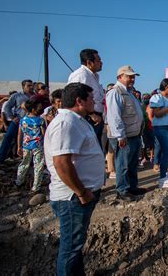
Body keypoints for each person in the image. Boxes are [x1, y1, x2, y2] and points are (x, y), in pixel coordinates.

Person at [45, 83, 104, 275]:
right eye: (91, 98)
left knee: (75, 246)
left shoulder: (77, 120)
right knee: (70, 249)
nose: (95, 101)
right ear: (79, 101)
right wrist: (81, 192)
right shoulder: (66, 123)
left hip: (78, 195)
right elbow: (62, 163)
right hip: (73, 198)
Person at [106, 66, 147, 199]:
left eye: (133, 76)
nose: (132, 79)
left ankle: (132, 187)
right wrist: (120, 136)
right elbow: (114, 116)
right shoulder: (115, 92)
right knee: (123, 164)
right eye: (129, 76)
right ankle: (122, 190)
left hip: (134, 134)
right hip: (124, 136)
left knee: (132, 163)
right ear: (120, 77)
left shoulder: (129, 93)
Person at [68, 48, 105, 145]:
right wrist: (91, 114)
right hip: (88, 118)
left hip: (96, 117)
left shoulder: (94, 76)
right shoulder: (81, 75)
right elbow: (76, 97)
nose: (101, 62)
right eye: (98, 60)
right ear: (89, 62)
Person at [0, 79, 34, 166]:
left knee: (29, 140)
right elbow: (7, 107)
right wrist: (12, 117)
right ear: (23, 86)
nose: (31, 87)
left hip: (31, 122)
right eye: (28, 85)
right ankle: (0, 158)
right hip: (18, 120)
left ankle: (28, 160)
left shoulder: (34, 96)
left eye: (32, 85)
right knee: (8, 137)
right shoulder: (16, 96)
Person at [149, 78, 168, 188]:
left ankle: (165, 172)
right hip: (161, 127)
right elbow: (157, 114)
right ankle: (162, 178)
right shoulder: (157, 97)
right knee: (166, 151)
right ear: (165, 86)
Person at [14, 99, 46, 192]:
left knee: (24, 164)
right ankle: (36, 187)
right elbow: (44, 134)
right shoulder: (40, 120)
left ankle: (19, 181)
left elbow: (20, 134)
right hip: (38, 146)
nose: (41, 109)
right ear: (33, 109)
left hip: (26, 146)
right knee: (38, 166)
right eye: (39, 107)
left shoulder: (23, 120)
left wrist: (19, 146)